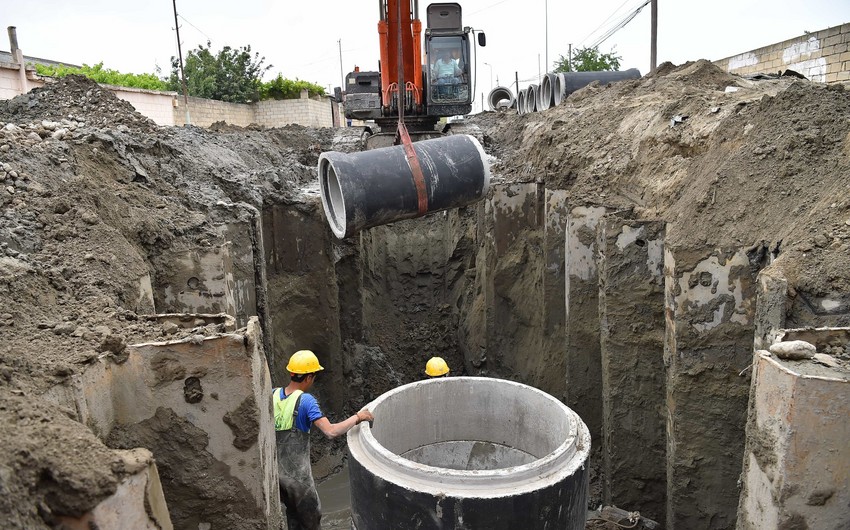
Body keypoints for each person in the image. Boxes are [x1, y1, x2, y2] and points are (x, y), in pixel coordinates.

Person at [274, 349, 374, 530]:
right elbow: (331, 431)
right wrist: (357, 417)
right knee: (312, 516)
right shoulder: (306, 401)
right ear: (308, 377)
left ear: (291, 373)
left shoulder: (272, 395)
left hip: (276, 477)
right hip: (298, 478)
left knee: (292, 517)